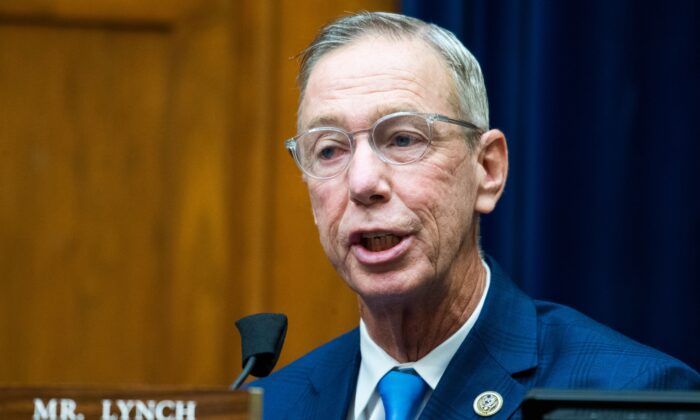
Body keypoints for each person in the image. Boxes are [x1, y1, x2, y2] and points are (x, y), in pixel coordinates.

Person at [251, 11, 700, 419]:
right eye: (328, 149)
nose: (363, 183)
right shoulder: (269, 406)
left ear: (487, 170)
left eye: (404, 139)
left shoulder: (631, 399)